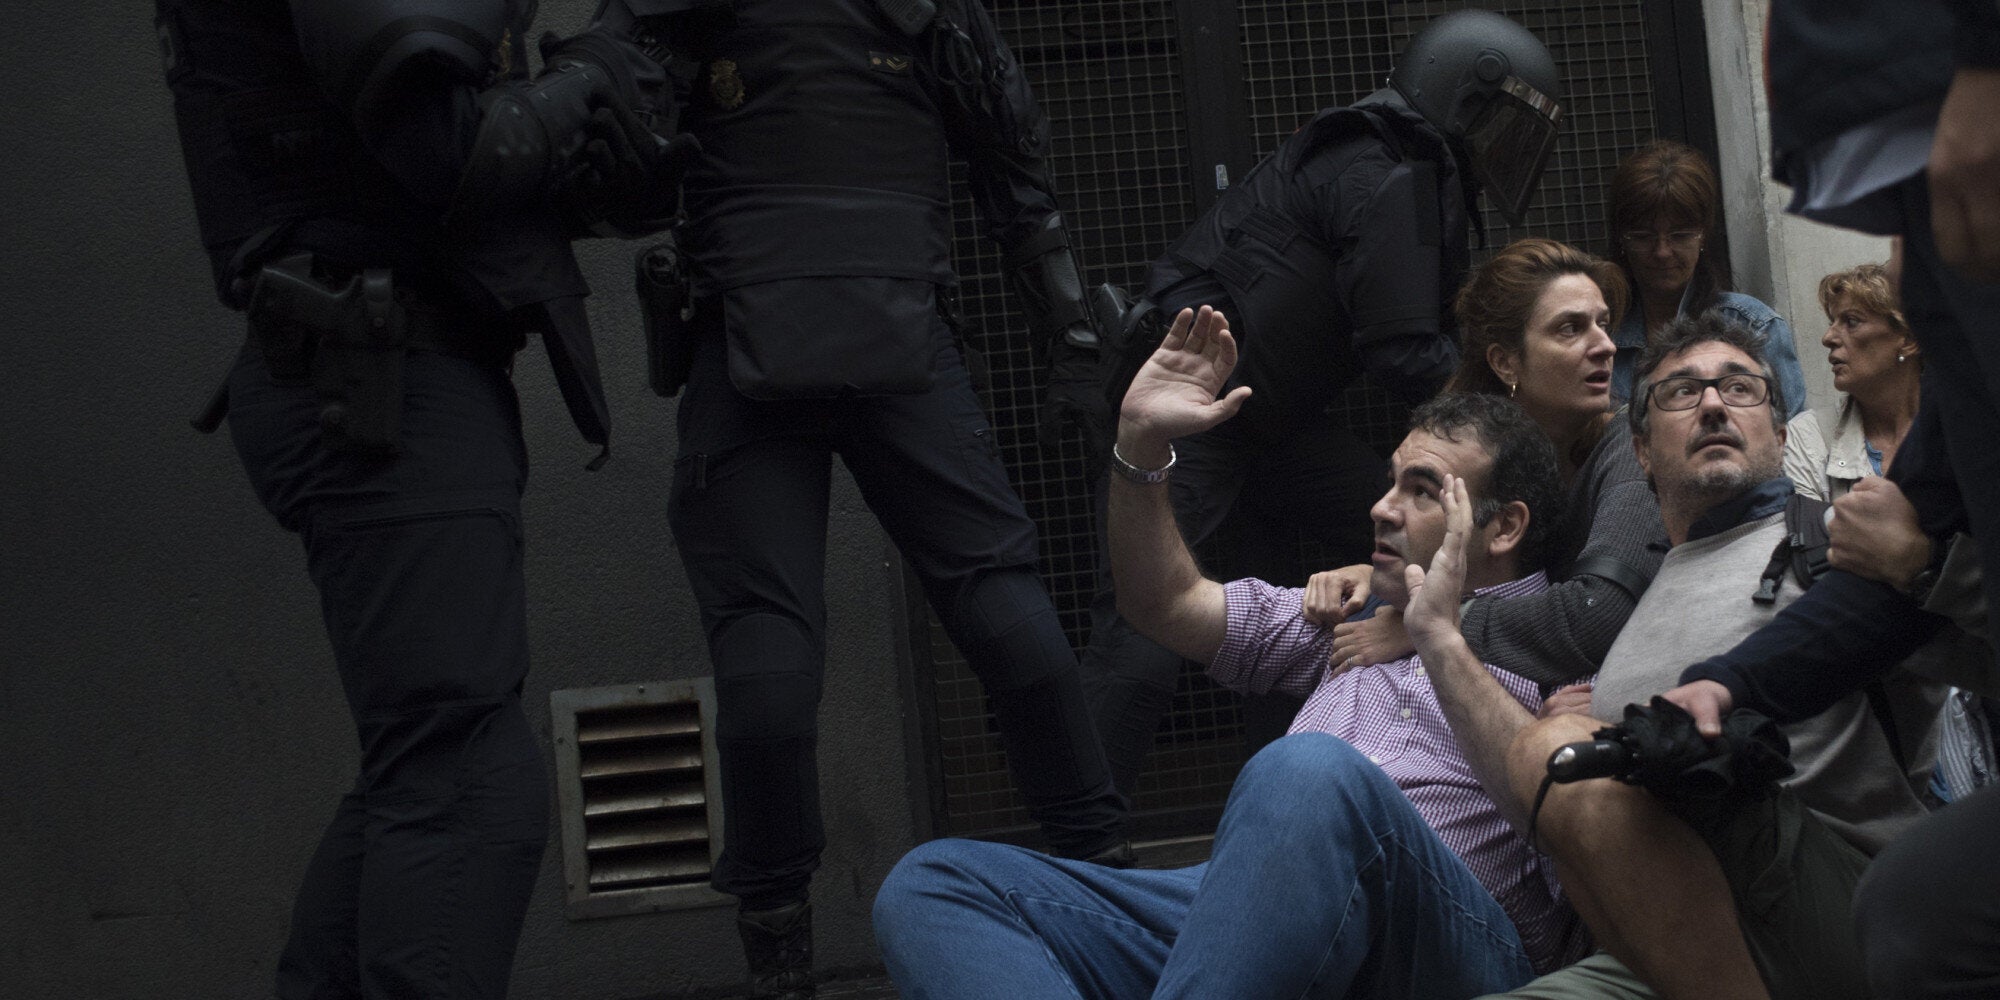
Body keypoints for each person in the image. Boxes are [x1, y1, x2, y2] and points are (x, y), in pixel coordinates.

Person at [154, 2, 692, 997]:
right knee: (467, 786)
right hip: (372, 371)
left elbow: (449, 161)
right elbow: (450, 154)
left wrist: (598, 104)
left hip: (381, 367)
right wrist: (581, 85)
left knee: (423, 768)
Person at [873, 305, 1584, 998]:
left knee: (1308, 771)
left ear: (1503, 528)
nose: (1381, 507)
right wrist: (1142, 445)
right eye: (1390, 482)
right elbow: (1166, 603)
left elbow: (1571, 829)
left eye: (1422, 492)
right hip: (1247, 909)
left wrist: (1440, 637)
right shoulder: (1351, 614)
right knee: (935, 887)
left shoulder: (1568, 645)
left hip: (1439, 932)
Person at [642, 4, 1122, 996]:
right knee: (768, 691)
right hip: (744, 339)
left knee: (1020, 637)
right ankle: (781, 961)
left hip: (898, 334)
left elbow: (1009, 158)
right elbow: (608, 141)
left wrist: (1071, 334)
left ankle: (1105, 897)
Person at [1081, 8, 1566, 799]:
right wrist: (1519, 425)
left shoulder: (1396, 160)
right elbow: (1402, 350)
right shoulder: (1390, 171)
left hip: (1267, 420)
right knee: (1139, 632)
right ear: (1466, 92)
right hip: (1204, 415)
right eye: (1498, 118)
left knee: (1380, 527)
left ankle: (1301, 766)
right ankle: (1085, 835)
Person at [1651, 2, 2000, 993]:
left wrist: (1927, 571)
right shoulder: (1955, 325)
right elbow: (1882, 573)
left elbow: (1911, 565)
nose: (1905, 252)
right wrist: (1730, 686)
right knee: (1918, 906)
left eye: (1921, 187)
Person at [1487, 313, 1948, 1000]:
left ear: (1782, 435)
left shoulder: (1842, 542)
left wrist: (1923, 566)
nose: (1712, 405)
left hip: (1847, 902)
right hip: (1673, 937)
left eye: (1739, 388)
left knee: (1549, 748)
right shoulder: (1637, 612)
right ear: (1642, 452)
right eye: (1681, 392)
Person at [1305, 238, 1664, 693]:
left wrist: (1433, 626)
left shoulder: (1633, 446)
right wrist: (1376, 581)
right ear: (1505, 361)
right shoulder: (1461, 446)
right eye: (1570, 329)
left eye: (1604, 324)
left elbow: (1596, 614)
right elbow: (1443, 563)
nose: (1606, 346)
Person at [1603, 140, 1806, 419]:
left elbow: (1790, 436)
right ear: (1622, 240)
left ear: (1702, 236)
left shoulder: (1754, 326)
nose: (1662, 252)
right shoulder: (1601, 332)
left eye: (1680, 236)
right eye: (1643, 236)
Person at [1783, 263, 1922, 501]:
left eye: (1852, 322)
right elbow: (1808, 524)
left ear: (1908, 339)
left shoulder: (1966, 426)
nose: (1828, 338)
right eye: (1832, 322)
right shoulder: (1808, 438)